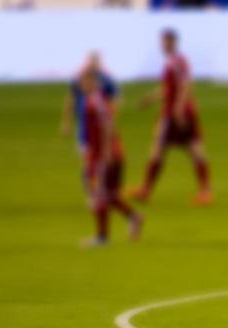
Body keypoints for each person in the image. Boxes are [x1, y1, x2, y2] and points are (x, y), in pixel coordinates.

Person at [130, 28, 215, 206]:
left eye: (165, 41)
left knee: (166, 149)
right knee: (191, 149)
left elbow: (186, 85)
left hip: (174, 113)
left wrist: (178, 108)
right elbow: (169, 89)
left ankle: (146, 189)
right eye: (161, 41)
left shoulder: (177, 62)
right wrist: (150, 99)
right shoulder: (172, 62)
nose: (162, 45)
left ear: (172, 42)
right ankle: (205, 191)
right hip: (179, 111)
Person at [78, 62, 144, 247]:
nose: (81, 84)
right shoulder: (97, 99)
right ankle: (134, 217)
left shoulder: (96, 100)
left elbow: (108, 124)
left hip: (106, 155)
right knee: (111, 195)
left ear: (91, 81)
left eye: (83, 80)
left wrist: (106, 151)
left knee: (98, 194)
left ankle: (102, 237)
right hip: (114, 152)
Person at [59, 51, 119, 196]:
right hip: (84, 129)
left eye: (95, 61)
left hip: (99, 131)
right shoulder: (79, 80)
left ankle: (100, 193)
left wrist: (110, 120)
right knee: (88, 165)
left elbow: (114, 101)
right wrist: (66, 123)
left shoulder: (106, 81)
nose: (93, 64)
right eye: (91, 61)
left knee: (99, 164)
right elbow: (71, 100)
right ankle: (93, 194)